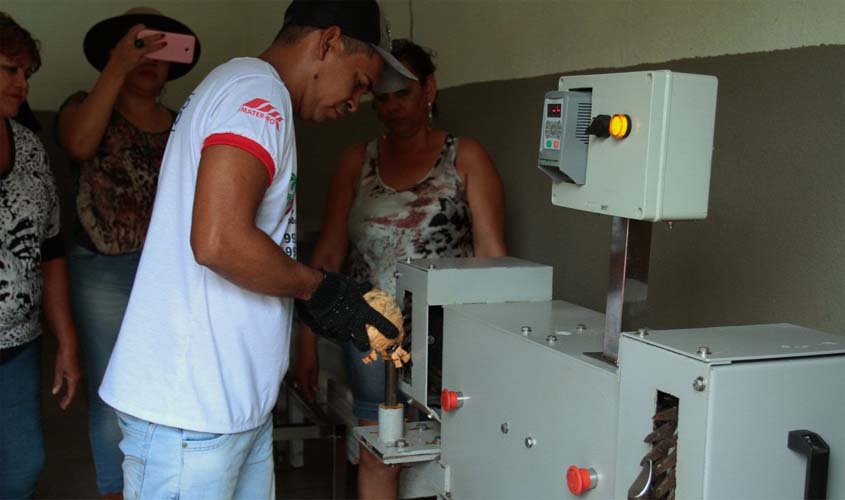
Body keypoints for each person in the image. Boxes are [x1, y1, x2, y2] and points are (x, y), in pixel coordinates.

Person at [98, 1, 413, 498]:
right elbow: (219, 241)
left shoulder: (249, 90)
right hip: (191, 413)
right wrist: (319, 289)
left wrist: (308, 300)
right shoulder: (256, 92)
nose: (357, 105)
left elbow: (240, 243)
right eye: (358, 83)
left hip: (228, 407)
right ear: (328, 42)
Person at [295, 39, 507, 499]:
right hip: (371, 330)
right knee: (379, 445)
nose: (391, 108)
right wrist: (306, 340)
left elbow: (492, 257)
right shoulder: (358, 162)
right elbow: (329, 256)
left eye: (403, 94)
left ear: (429, 89)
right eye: (381, 97)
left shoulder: (464, 157)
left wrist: (498, 347)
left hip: (448, 332)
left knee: (458, 445)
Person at [55, 8, 200, 498]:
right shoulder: (85, 105)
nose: (150, 60)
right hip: (103, 268)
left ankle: (161, 484)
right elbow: (78, 144)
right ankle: (117, 491)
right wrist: (117, 68)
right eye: (141, 47)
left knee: (171, 381)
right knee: (112, 389)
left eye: (162, 52)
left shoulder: (182, 122)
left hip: (171, 269)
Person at [0, 12, 81, 499]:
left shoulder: (28, 146)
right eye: (10, 69)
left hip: (17, 344)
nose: (22, 84)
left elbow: (50, 250)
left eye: (28, 74)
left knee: (23, 465)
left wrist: (66, 341)